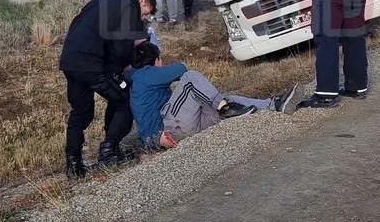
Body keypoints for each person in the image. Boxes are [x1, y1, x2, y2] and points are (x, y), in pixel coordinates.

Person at [58, 0, 155, 180]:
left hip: (70, 61)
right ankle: (109, 151)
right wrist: (125, 63)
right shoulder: (128, 4)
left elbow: (82, 27)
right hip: (91, 63)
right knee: (125, 98)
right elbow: (121, 46)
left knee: (80, 112)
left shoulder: (99, 1)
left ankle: (73, 164)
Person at [126, 41, 298, 151]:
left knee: (222, 99)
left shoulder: (137, 80)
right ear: (157, 60)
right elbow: (181, 68)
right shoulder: (146, 74)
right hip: (171, 127)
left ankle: (274, 104)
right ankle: (225, 107)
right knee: (190, 78)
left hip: (181, 129)